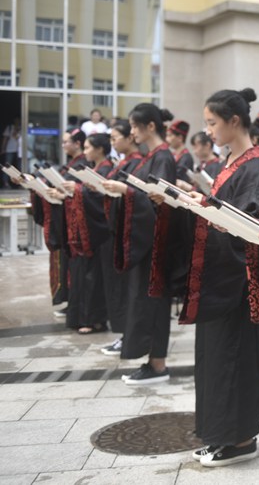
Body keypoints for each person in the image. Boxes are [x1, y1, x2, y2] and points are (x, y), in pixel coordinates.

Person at [176, 88, 259, 468]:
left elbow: (251, 226)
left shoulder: (255, 166)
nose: (208, 130)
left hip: (238, 282)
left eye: (213, 123)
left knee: (234, 359)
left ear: (234, 121)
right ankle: (221, 434)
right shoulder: (233, 161)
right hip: (220, 278)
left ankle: (240, 438)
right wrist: (199, 201)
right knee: (216, 359)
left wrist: (209, 211)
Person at [101, 105, 177, 385]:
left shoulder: (163, 157)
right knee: (145, 301)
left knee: (155, 302)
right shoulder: (151, 157)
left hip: (157, 244)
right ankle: (151, 361)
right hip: (148, 242)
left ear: (150, 127)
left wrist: (126, 192)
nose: (131, 131)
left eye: (134, 126)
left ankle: (158, 365)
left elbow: (161, 202)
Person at [55, 133, 114, 335]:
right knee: (83, 275)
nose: (85, 151)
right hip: (86, 229)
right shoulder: (95, 168)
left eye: (88, 147)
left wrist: (78, 190)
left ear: (99, 149)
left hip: (97, 232)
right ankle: (80, 316)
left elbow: (100, 199)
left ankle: (94, 319)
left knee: (93, 277)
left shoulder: (106, 168)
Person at [98, 121, 143, 356]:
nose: (113, 142)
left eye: (116, 137)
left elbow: (139, 197)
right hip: (117, 230)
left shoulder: (137, 162)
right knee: (120, 288)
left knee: (127, 290)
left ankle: (129, 335)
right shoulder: (125, 162)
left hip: (129, 233)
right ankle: (124, 334)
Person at [1, 117, 21, 188]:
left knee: (20, 167)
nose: (17, 121)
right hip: (10, 149)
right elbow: (5, 138)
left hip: (20, 151)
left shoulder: (22, 128)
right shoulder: (10, 128)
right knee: (7, 167)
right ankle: (5, 182)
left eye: (18, 120)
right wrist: (3, 148)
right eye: (16, 120)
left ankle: (21, 183)